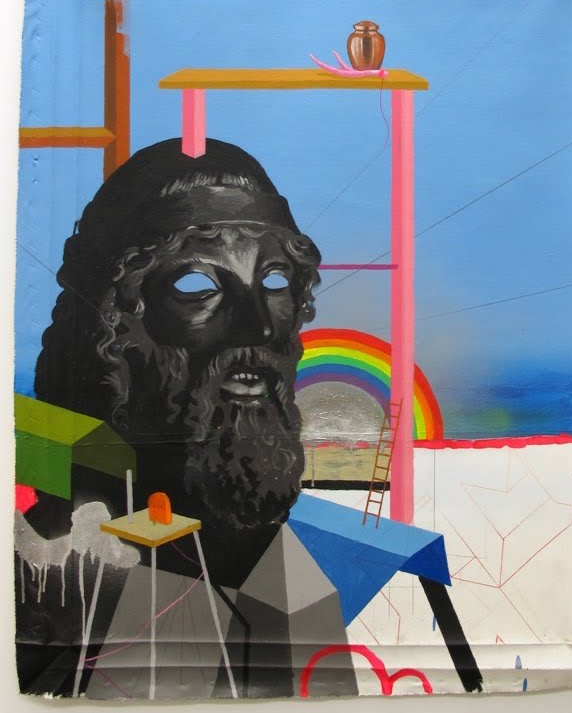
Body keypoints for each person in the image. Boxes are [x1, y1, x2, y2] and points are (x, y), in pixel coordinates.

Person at [17, 138, 358, 698]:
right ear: (117, 325)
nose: (258, 325)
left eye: (274, 280)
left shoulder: (284, 572)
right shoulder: (69, 561)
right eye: (198, 285)